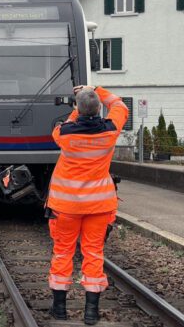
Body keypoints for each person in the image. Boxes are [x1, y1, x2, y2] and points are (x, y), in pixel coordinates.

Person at [46, 85, 128, 324]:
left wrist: (76, 108)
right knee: (93, 253)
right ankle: (91, 313)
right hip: (99, 207)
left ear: (78, 109)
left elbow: (66, 125)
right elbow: (120, 105)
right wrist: (96, 90)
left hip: (66, 207)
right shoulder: (111, 130)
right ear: (99, 109)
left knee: (63, 253)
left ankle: (59, 309)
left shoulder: (64, 134)